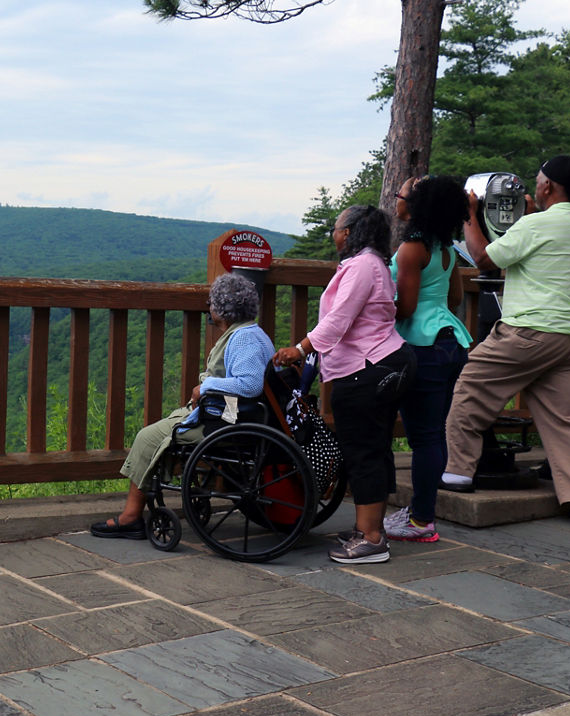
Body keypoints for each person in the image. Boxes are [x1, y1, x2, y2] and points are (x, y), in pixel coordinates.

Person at [443, 155, 570, 529]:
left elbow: (485, 259)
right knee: (568, 419)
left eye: (538, 181)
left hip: (531, 331)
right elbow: (540, 244)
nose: (534, 186)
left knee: (472, 387)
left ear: (548, 186)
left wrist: (471, 214)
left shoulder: (534, 225)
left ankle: (458, 473)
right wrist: (529, 216)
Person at [274, 205, 414, 564]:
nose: (333, 235)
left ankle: (371, 539)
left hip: (367, 366)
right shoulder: (374, 264)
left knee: (363, 450)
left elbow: (340, 319)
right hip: (382, 362)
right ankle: (370, 528)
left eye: (336, 229)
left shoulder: (364, 266)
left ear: (350, 231)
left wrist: (300, 349)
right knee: (376, 447)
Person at [91, 272, 274, 539]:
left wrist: (206, 387)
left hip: (225, 422)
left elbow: (250, 385)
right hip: (234, 416)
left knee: (147, 437)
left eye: (211, 303)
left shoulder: (242, 338)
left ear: (223, 309)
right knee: (163, 427)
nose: (209, 308)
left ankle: (131, 517)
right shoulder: (254, 333)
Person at [384, 175, 473, 543]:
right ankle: (422, 513)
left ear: (417, 206)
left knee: (422, 438)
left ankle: (421, 521)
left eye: (403, 195)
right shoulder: (447, 249)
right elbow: (454, 299)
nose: (398, 199)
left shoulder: (412, 249)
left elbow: (405, 307)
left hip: (422, 345)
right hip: (452, 342)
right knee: (433, 434)